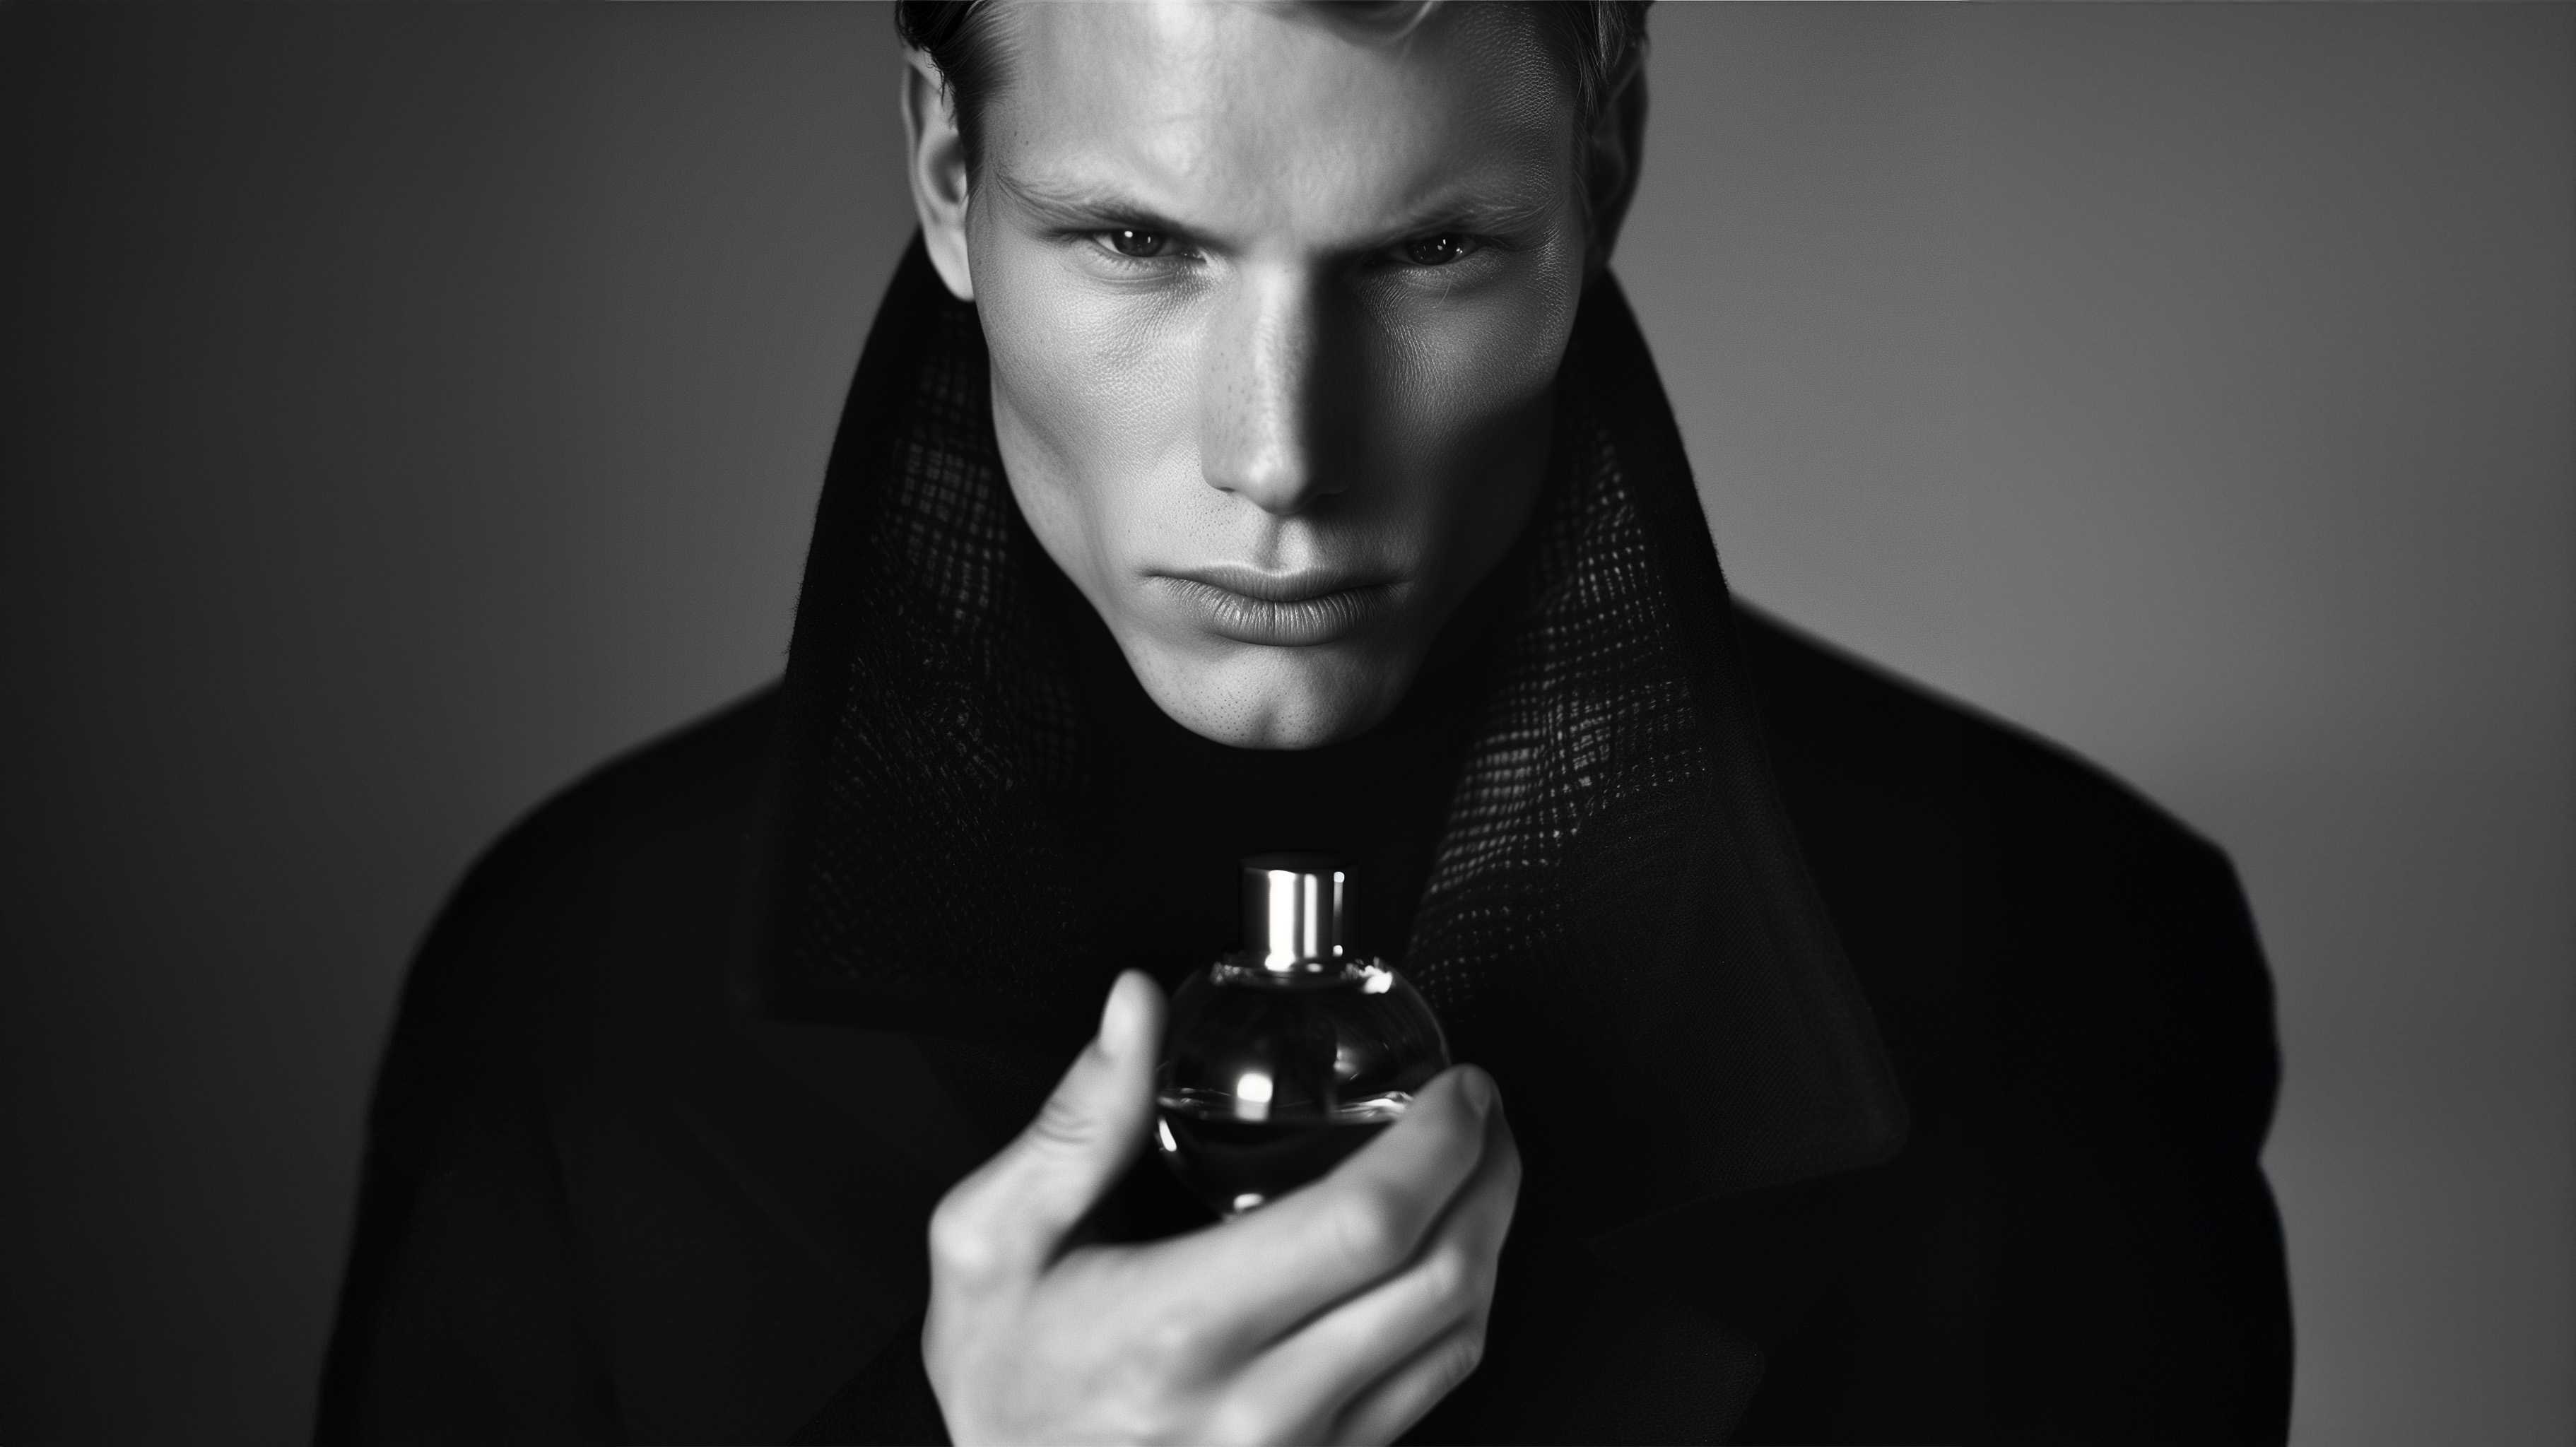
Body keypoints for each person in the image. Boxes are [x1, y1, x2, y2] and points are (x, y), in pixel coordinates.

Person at [316, 2, 2293, 1442]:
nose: (1279, 454)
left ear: (1600, 172)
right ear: (947, 176)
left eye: (1430, 251)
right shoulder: (575, 986)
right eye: (1137, 243)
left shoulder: (2068, 950)